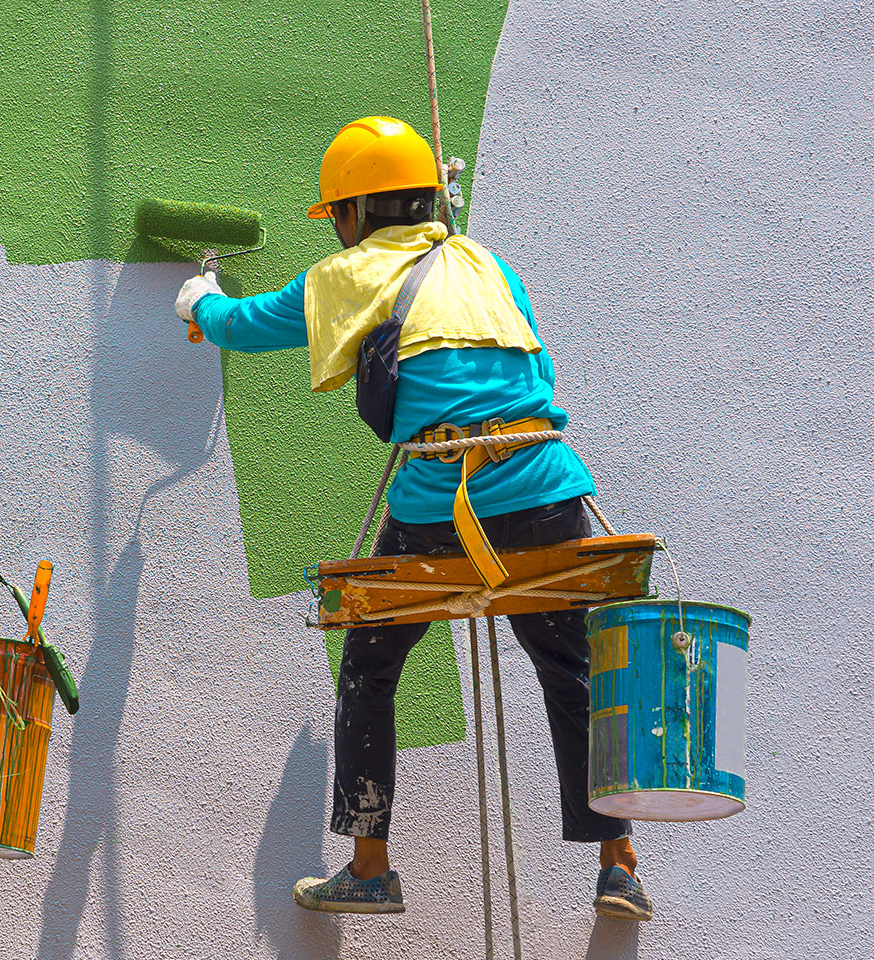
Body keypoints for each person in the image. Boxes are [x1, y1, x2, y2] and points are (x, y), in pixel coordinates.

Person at [172, 116, 654, 921]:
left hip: (438, 503)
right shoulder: (487, 264)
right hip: (545, 491)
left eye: (337, 215)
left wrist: (202, 301)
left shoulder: (349, 273)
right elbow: (534, 365)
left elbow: (249, 326)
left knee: (370, 665)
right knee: (572, 672)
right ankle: (620, 864)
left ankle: (369, 866)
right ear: (432, 197)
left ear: (354, 213)